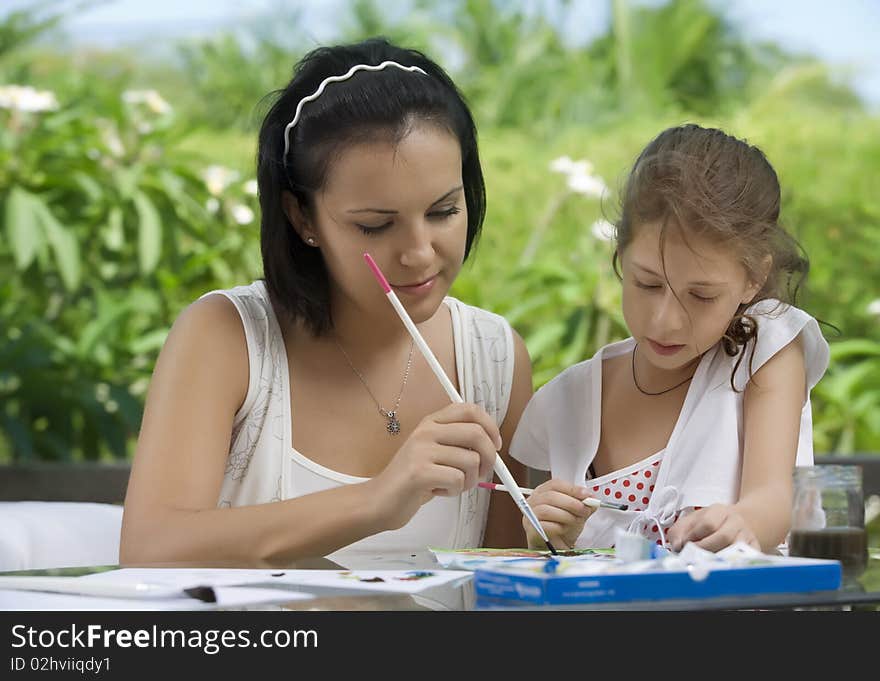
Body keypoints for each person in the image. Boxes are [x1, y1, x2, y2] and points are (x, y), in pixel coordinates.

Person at [120, 37, 533, 566]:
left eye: (443, 211)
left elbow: (503, 583)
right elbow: (150, 549)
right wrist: (378, 500)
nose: (419, 252)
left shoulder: (495, 357)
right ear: (303, 218)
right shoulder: (227, 336)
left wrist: (561, 541)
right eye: (375, 225)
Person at [510, 124, 829, 554]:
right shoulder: (568, 402)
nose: (665, 321)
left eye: (701, 295)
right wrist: (547, 538)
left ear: (753, 279)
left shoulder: (762, 354)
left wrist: (745, 522)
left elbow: (774, 500)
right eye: (647, 284)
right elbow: (552, 565)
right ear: (620, 254)